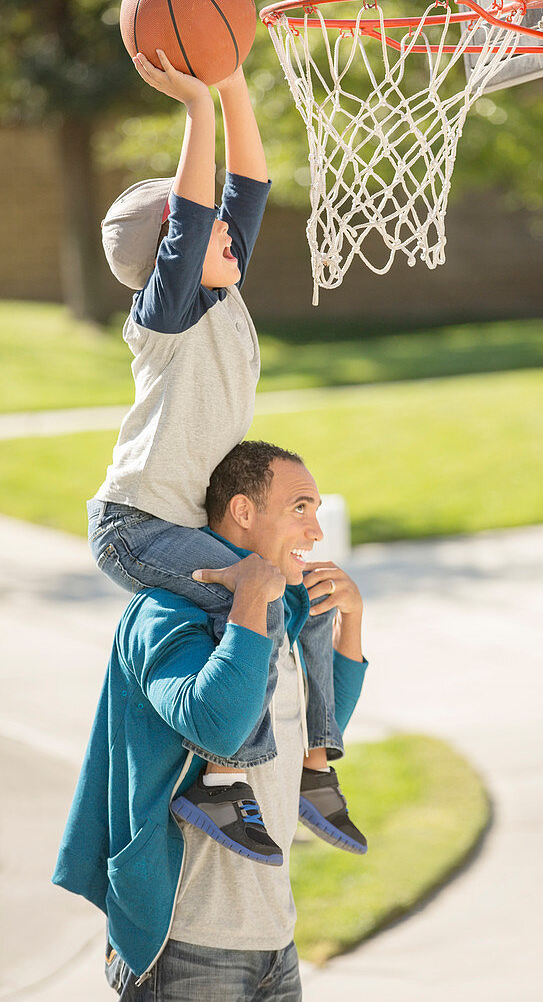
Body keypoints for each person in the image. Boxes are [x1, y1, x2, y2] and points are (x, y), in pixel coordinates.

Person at [86, 49, 365, 862]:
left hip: (166, 520)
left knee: (304, 595)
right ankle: (217, 781)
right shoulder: (165, 313)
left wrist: (233, 81)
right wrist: (196, 112)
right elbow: (201, 208)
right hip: (136, 525)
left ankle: (317, 766)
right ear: (175, 245)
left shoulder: (221, 285)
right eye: (207, 230)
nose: (230, 236)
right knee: (250, 594)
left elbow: (247, 187)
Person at [54, 441, 368, 1000]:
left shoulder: (280, 614)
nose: (316, 531)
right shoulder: (163, 613)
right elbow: (217, 724)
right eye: (300, 508)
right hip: (185, 945)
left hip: (276, 940)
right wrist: (250, 601)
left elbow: (313, 733)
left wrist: (351, 622)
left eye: (317, 511)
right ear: (243, 512)